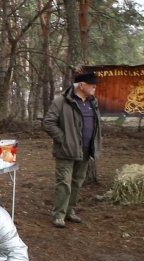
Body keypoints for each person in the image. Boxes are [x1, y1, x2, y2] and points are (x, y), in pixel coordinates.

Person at [42, 71, 102, 228]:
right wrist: (64, 139)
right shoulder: (61, 101)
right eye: (92, 85)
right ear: (81, 85)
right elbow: (48, 123)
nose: (95, 87)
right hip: (66, 150)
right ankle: (59, 215)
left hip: (86, 149)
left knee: (77, 182)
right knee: (64, 183)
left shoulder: (92, 102)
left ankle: (70, 211)